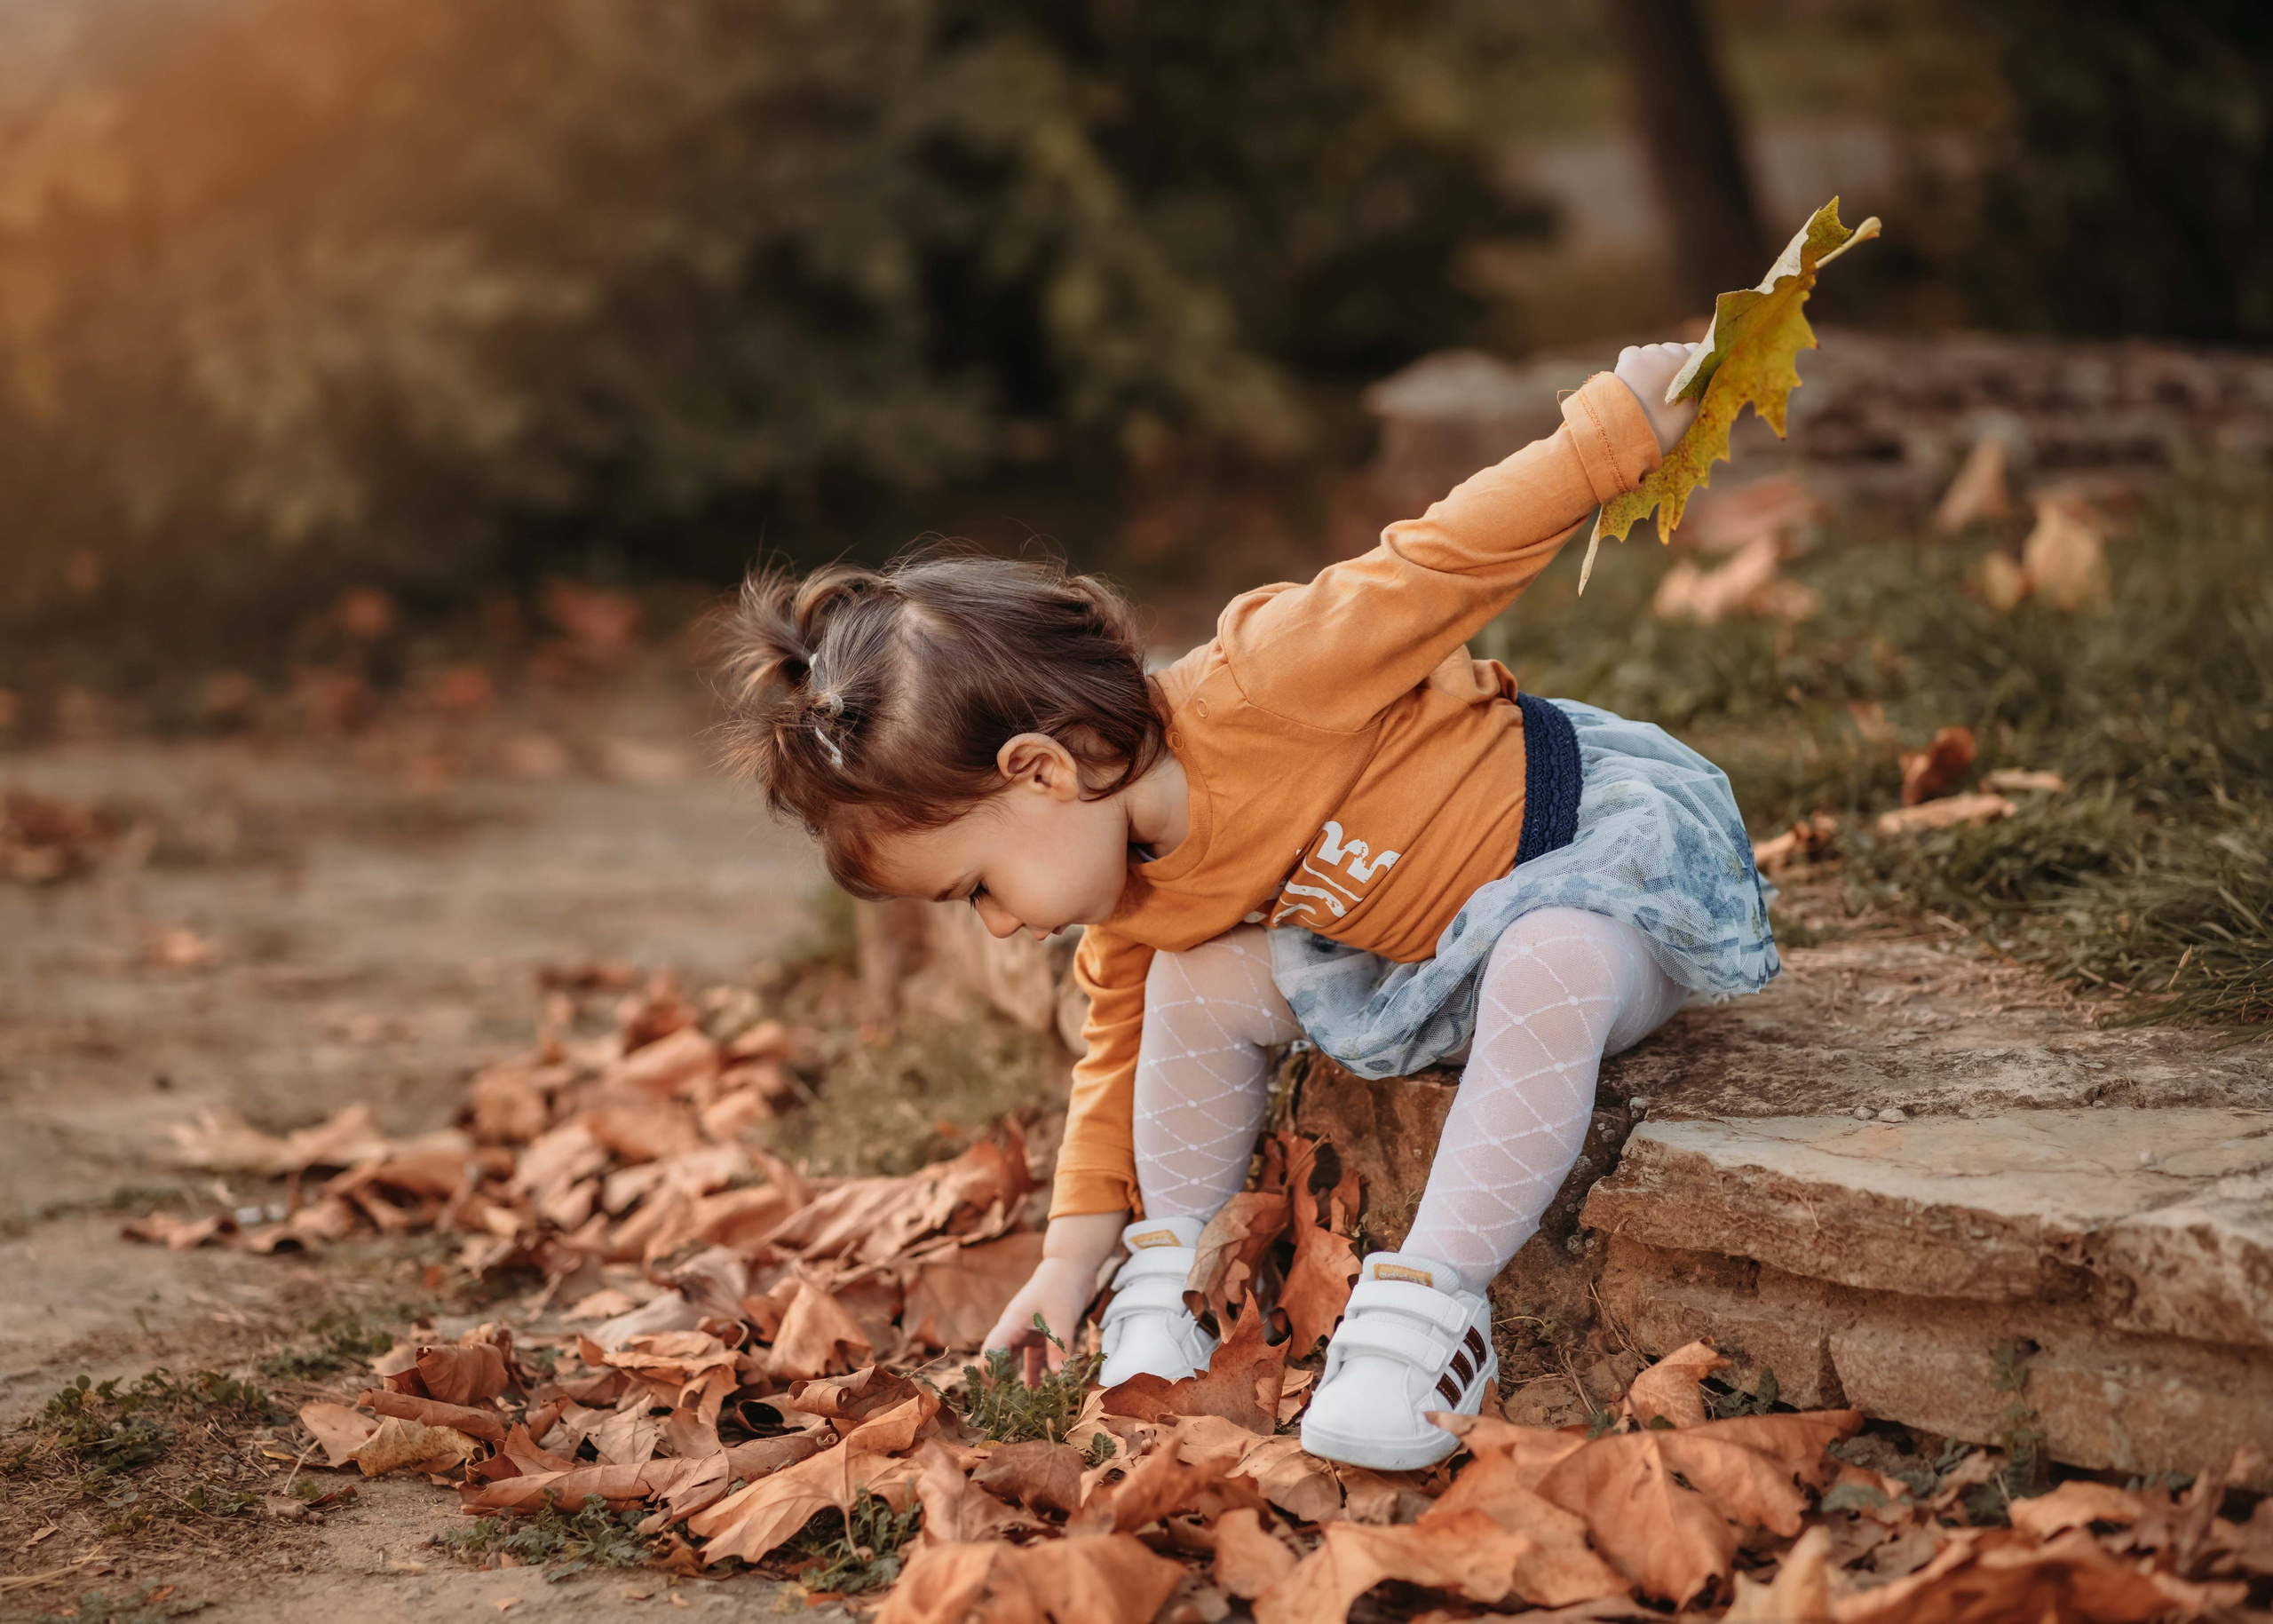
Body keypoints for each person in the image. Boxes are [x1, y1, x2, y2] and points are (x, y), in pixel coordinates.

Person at [718, 341, 1778, 1470]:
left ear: (1041, 770)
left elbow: (1444, 560)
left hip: (1592, 867)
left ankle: (1431, 1305)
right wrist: (1070, 1258)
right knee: (1188, 980)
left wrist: (1616, 429)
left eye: (977, 885)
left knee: (1549, 955)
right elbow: (1114, 1058)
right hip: (1427, 948)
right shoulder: (1132, 893)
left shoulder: (1265, 680)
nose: (998, 923)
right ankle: (1176, 1286)